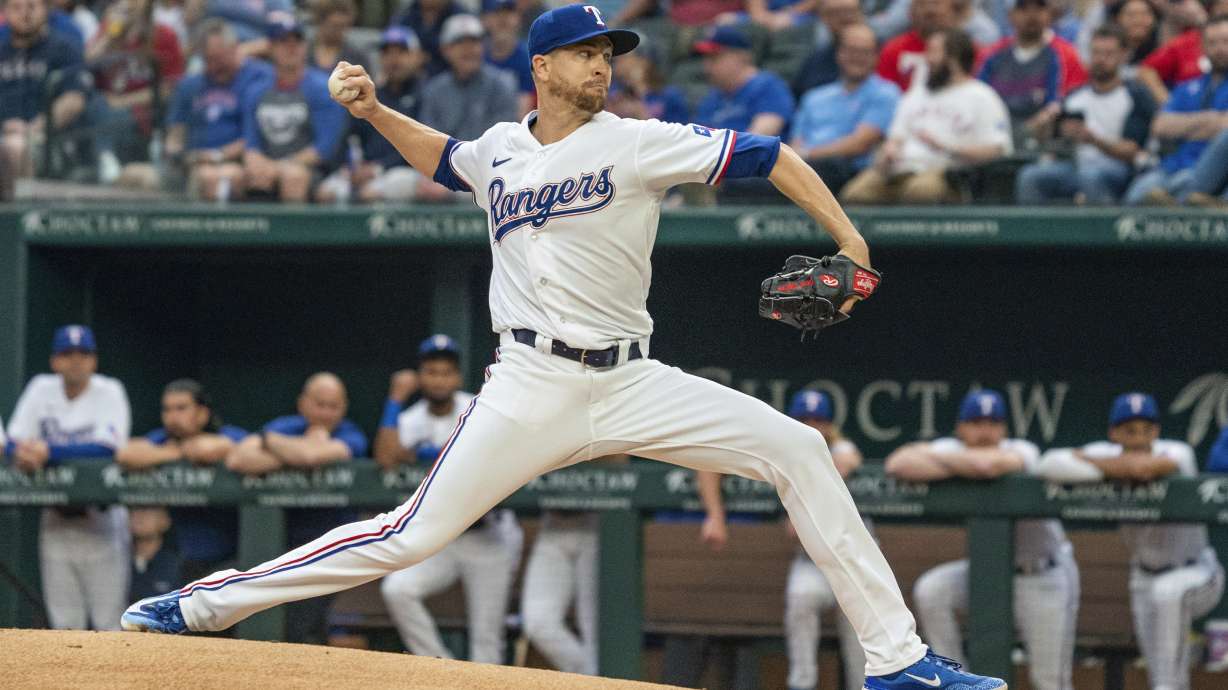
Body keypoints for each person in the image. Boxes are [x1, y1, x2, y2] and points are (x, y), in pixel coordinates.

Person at [123, 6, 1007, 689]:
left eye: (609, 54)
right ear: (542, 67)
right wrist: (375, 108)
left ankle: (898, 661)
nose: (603, 65)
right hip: (531, 383)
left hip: (633, 378)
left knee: (799, 449)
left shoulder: (638, 142)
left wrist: (850, 241)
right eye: (587, 53)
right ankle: (200, 607)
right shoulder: (501, 149)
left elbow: (769, 154)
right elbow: (446, 158)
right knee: (406, 535)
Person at [886, 390, 1079, 690]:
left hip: (1042, 573)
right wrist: (955, 459)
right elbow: (898, 464)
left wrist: (935, 457)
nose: (985, 431)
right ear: (961, 428)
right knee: (932, 591)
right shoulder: (953, 447)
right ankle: (959, 680)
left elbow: (987, 467)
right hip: (989, 571)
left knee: (1049, 681)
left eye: (993, 423)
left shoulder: (1023, 448)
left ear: (1004, 429)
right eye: (976, 423)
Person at [1037, 393, 1226, 690]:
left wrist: (1100, 467)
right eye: (1129, 430)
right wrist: (1109, 465)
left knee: (1167, 665)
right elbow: (1048, 463)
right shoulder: (1105, 452)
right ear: (1114, 433)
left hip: (1197, 573)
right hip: (1143, 576)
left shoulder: (1179, 451)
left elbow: (1145, 469)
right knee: (1159, 673)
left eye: (1146, 429)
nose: (1139, 438)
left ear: (1157, 431)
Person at [376, 335, 524, 665]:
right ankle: (440, 670)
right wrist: (395, 398)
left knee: (487, 640)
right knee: (398, 590)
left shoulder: (476, 406)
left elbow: (485, 458)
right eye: (431, 372)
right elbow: (386, 457)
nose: (438, 379)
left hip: (487, 535)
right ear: (420, 375)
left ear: (456, 377)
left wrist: (424, 452)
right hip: (440, 538)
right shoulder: (411, 417)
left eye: (445, 372)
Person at [224, 371, 369, 645]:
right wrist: (292, 450)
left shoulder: (351, 434)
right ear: (303, 403)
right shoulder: (287, 425)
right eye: (319, 404)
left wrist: (273, 445)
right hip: (279, 546)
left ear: (344, 407)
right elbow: (238, 459)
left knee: (299, 626)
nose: (326, 413)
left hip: (332, 549)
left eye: (333, 406)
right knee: (229, 592)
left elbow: (312, 456)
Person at [6, 325, 131, 631]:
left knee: (110, 625)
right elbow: (13, 440)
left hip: (101, 521)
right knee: (64, 626)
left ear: (94, 360)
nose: (76, 360)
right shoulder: (40, 388)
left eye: (84, 353)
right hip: (56, 521)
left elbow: (108, 447)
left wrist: (48, 451)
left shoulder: (109, 390)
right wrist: (22, 452)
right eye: (67, 353)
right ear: (55, 361)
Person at [842, 28, 1012, 204]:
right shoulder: (916, 94)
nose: (926, 59)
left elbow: (996, 150)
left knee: (919, 192)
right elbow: (896, 137)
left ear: (954, 59)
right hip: (897, 169)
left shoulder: (982, 96)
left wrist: (946, 147)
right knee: (855, 193)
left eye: (933, 52)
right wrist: (889, 150)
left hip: (946, 173)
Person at [115, 379, 247, 582]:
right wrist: (178, 453)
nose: (173, 417)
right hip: (183, 558)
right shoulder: (162, 439)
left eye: (181, 408)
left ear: (202, 413)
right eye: (167, 410)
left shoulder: (226, 434)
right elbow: (126, 454)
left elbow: (210, 449)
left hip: (233, 557)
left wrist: (169, 453)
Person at [1014, 24, 1155, 204]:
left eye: (1108, 54)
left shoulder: (1135, 95)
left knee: (1090, 177)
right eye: (1096, 53)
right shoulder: (1075, 96)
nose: (1100, 59)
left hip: (1118, 169)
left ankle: (1102, 230)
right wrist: (1045, 126)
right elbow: (1048, 139)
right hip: (1076, 166)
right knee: (1030, 176)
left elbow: (1133, 150)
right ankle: (1034, 231)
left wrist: (1094, 140)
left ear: (1124, 55)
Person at [783, 390, 867, 690]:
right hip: (812, 562)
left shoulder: (842, 447)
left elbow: (847, 459)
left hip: (855, 561)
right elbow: (794, 531)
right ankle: (802, 684)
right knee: (800, 597)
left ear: (830, 425)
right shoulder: (780, 452)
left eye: (819, 420)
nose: (812, 426)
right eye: (804, 419)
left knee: (861, 622)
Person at [1122, 14, 1228, 206]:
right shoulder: (1188, 86)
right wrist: (1212, 120)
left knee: (1183, 187)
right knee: (1138, 193)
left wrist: (1185, 126)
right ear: (1203, 47)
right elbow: (1160, 126)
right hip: (1172, 165)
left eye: (1225, 42)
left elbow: (1225, 130)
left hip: (1209, 172)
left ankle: (1182, 202)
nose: (1220, 49)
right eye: (1213, 43)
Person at [316, 26, 428, 204]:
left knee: (374, 191)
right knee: (327, 191)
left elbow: (422, 145)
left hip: (404, 171)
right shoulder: (373, 94)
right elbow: (348, 136)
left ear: (417, 56)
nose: (394, 59)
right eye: (387, 53)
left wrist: (378, 168)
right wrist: (347, 168)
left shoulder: (425, 93)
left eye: (401, 52)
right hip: (366, 170)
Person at [164, 19, 273, 201]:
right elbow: (176, 133)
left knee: (212, 177)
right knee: (133, 175)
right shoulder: (190, 85)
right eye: (208, 60)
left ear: (235, 48)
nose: (213, 67)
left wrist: (216, 156)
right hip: (192, 162)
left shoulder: (259, 79)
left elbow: (256, 135)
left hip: (238, 161)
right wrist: (176, 153)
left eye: (218, 59)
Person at [241, 17, 347, 203]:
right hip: (268, 164)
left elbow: (323, 149)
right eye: (283, 42)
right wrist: (257, 163)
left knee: (292, 176)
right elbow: (251, 142)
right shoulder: (256, 90)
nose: (291, 47)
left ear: (306, 46)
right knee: (241, 175)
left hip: (315, 169)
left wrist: (278, 166)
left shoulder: (323, 88)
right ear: (271, 47)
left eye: (297, 41)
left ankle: (291, 232)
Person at [415, 13, 518, 201]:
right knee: (401, 183)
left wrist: (452, 185)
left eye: (475, 43)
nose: (469, 50)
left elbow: (502, 149)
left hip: (489, 173)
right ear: (445, 50)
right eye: (460, 43)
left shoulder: (502, 84)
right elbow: (426, 141)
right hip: (444, 171)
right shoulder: (434, 89)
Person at [790, 23, 900, 196]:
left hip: (848, 169)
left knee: (824, 168)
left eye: (865, 52)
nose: (857, 57)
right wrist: (797, 158)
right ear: (839, 53)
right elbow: (796, 141)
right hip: (804, 166)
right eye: (851, 50)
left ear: (875, 56)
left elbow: (860, 144)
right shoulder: (814, 96)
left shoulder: (886, 92)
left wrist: (806, 155)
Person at [85, 0, 185, 185]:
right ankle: (105, 158)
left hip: (144, 112)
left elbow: (170, 89)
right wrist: (108, 37)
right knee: (97, 104)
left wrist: (124, 101)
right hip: (103, 108)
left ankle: (107, 159)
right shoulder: (108, 30)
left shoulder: (165, 35)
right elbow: (85, 65)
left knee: (113, 112)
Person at [0, 0, 89, 178]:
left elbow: (74, 99)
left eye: (32, 6)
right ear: (5, 12)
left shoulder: (63, 48)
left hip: (50, 142)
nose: (25, 14)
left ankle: (25, 206)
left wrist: (35, 128)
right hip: (5, 133)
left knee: (15, 148)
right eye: (16, 7)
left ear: (46, 10)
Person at [976, 0, 1086, 137]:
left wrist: (1025, 130)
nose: (1031, 15)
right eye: (1023, 8)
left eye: (1039, 8)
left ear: (1049, 14)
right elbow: (978, 98)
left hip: (1037, 143)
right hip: (993, 136)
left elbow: (1059, 106)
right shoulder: (992, 55)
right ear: (1010, 15)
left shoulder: (1066, 56)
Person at [693, 25, 794, 136]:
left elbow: (758, 141)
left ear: (741, 56)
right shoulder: (714, 96)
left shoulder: (767, 87)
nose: (707, 65)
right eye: (705, 58)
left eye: (714, 57)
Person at [876, 0, 957, 91]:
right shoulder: (893, 49)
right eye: (922, 4)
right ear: (910, 12)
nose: (930, 10)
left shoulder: (964, 49)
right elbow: (884, 90)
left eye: (936, 3)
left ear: (952, 11)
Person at [791, 0, 866, 98]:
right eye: (836, 13)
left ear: (862, 14)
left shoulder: (881, 53)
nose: (845, 18)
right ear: (824, 18)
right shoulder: (815, 61)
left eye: (850, 12)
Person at [482, 0, 535, 116]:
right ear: (484, 19)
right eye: (496, 13)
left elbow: (522, 114)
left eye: (508, 13)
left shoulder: (530, 58)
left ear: (519, 18)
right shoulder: (476, 57)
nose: (503, 19)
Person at [129, 507, 182, 604]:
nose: (139, 515)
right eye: (134, 509)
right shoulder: (117, 561)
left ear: (165, 521)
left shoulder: (179, 565)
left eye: (148, 510)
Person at [307, 0, 368, 74]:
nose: (337, 31)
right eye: (333, 25)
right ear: (320, 22)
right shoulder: (303, 51)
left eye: (342, 26)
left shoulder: (357, 56)